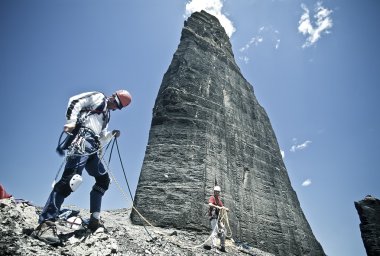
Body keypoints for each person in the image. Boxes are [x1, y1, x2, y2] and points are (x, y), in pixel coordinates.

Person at [35, 90, 132, 244]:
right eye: (116, 103)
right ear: (113, 96)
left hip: (93, 145)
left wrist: (111, 134)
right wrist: (71, 121)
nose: (114, 107)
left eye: (118, 107)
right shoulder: (98, 97)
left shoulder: (106, 115)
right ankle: (45, 224)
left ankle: (94, 220)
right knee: (70, 180)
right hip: (82, 140)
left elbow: (101, 136)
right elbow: (75, 101)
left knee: (103, 181)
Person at [207, 185, 229, 252]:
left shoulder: (219, 200)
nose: (217, 193)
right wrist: (217, 207)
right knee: (215, 231)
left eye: (218, 192)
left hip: (218, 218)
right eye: (216, 192)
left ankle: (222, 246)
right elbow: (210, 204)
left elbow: (222, 206)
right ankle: (213, 247)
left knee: (223, 230)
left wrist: (226, 209)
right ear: (214, 192)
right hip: (213, 217)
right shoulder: (212, 197)